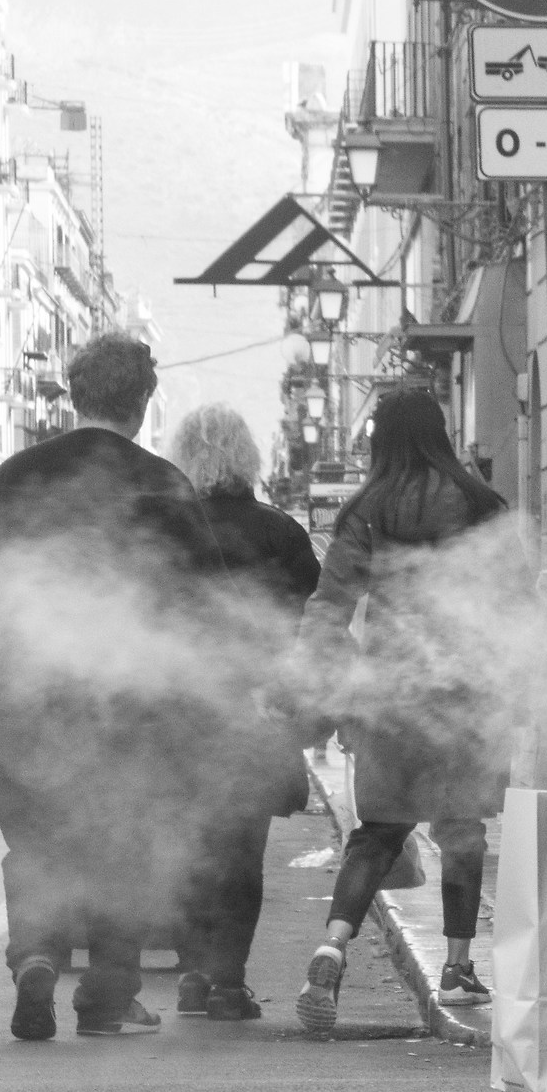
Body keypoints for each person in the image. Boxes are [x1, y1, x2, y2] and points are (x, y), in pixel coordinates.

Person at [0, 333, 223, 1039]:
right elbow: (205, 605)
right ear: (144, 401)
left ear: (74, 391)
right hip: (131, 705)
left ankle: (35, 955)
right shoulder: (163, 484)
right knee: (123, 843)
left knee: (35, 846)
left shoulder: (19, 475)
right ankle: (105, 992)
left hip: (27, 696)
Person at [289, 389, 514, 1037]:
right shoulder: (479, 505)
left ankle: (332, 945)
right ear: (441, 432)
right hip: (463, 695)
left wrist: (336, 677)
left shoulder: (366, 510)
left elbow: (329, 608)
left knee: (379, 832)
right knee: (461, 828)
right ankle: (461, 966)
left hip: (390, 692)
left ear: (380, 441)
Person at [168, 404, 320, 1021]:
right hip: (254, 714)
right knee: (240, 854)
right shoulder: (280, 532)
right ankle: (229, 982)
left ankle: (194, 975)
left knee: (186, 851)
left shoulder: (166, 530)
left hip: (178, 713)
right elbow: (310, 617)